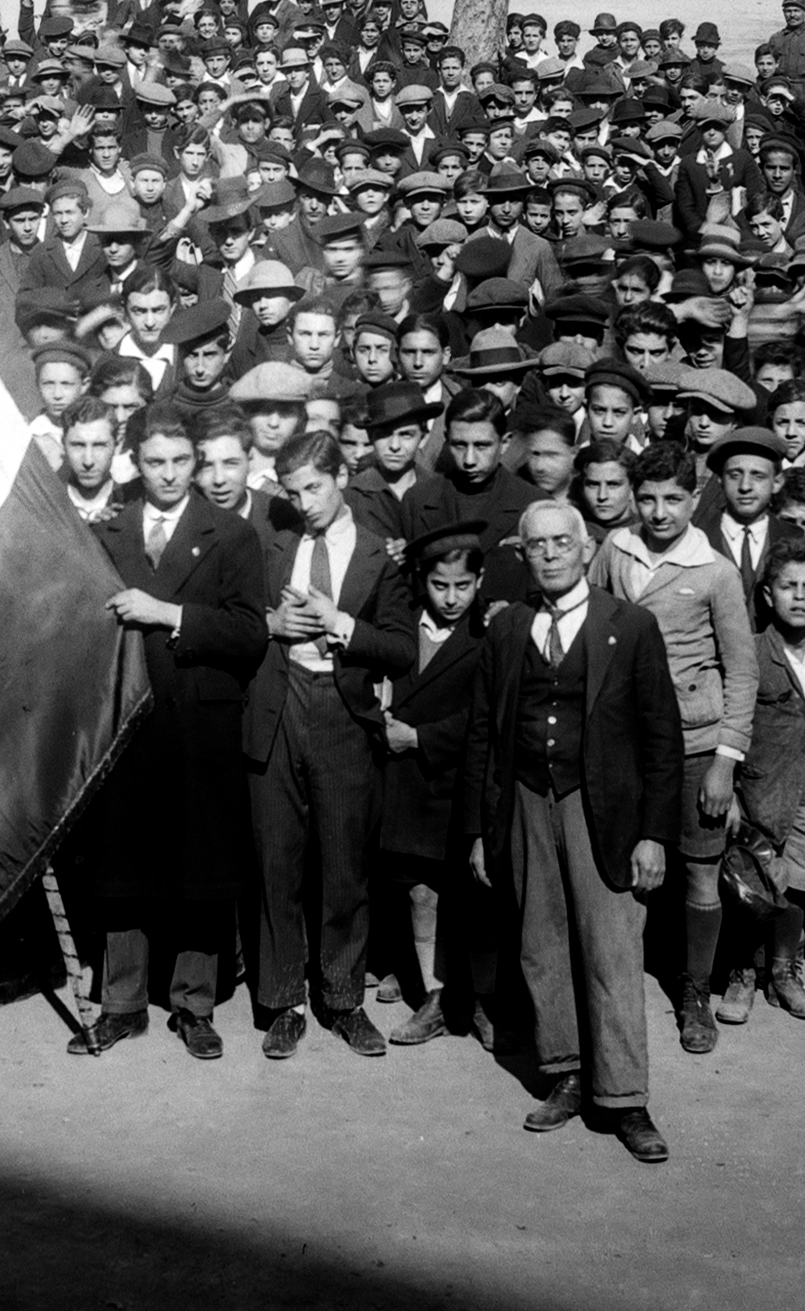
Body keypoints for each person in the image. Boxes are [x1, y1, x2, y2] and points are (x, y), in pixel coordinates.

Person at [462, 496, 683, 1164]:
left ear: (587, 550)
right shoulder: (507, 629)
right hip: (529, 797)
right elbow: (482, 733)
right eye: (537, 544)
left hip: (603, 806)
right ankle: (566, 1071)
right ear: (522, 554)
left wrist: (653, 833)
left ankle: (625, 1098)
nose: (551, 553)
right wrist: (481, 828)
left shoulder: (631, 624)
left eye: (563, 542)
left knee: (611, 946)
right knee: (541, 940)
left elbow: (661, 738)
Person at [77, 418, 268, 1059]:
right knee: (121, 866)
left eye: (180, 460)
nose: (168, 473)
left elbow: (249, 632)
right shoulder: (106, 532)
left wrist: (169, 614)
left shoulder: (234, 536)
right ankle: (122, 1004)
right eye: (154, 461)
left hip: (198, 725)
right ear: (134, 462)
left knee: (199, 867)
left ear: (195, 461)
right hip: (126, 722)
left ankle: (194, 1006)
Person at [244, 432, 410, 1059]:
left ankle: (342, 999)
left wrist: (341, 624)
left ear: (342, 477)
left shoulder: (378, 554)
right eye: (293, 491)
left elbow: (401, 648)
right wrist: (271, 624)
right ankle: (283, 1000)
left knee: (344, 864)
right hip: (279, 704)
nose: (306, 502)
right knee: (277, 860)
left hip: (343, 712)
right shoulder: (271, 544)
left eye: (315, 486)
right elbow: (241, 620)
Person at [595, 455, 756, 1051]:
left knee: (700, 868)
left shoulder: (713, 570)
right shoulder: (616, 548)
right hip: (627, 739)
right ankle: (616, 984)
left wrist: (725, 761)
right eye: (647, 499)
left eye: (673, 500)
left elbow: (742, 671)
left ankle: (696, 992)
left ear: (695, 501)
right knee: (621, 864)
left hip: (694, 742)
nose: (659, 513)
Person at [346, 520, 494, 1049]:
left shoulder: (491, 632)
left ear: (479, 583)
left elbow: (488, 715)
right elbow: (364, 675)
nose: (451, 598)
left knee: (473, 894)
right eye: (439, 586)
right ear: (421, 582)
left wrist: (422, 737)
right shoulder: (401, 625)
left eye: (463, 586)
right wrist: (379, 720)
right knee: (421, 891)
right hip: (406, 784)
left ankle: (480, 998)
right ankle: (435, 995)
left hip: (460, 781)